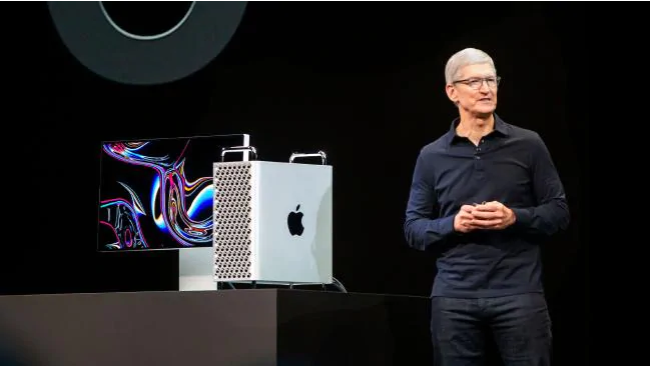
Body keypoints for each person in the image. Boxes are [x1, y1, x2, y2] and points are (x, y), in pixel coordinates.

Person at [403, 48, 570, 365]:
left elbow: (559, 212)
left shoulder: (528, 144)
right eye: (475, 81)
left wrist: (513, 217)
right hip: (453, 297)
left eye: (491, 80)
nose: (486, 88)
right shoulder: (432, 155)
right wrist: (453, 223)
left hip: (519, 293)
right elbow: (414, 229)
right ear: (452, 91)